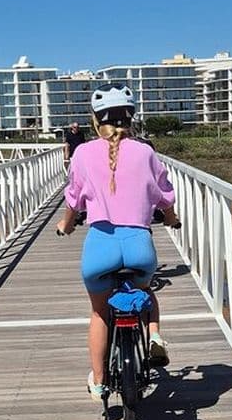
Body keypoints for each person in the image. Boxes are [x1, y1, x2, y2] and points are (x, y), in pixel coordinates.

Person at [56, 84, 180, 402]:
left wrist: (66, 225)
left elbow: (74, 199)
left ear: (96, 120)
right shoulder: (146, 152)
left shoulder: (82, 153)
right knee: (145, 290)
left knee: (99, 313)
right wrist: (170, 217)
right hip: (139, 244)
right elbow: (164, 194)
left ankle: (98, 381)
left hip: (100, 246)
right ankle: (153, 335)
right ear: (131, 118)